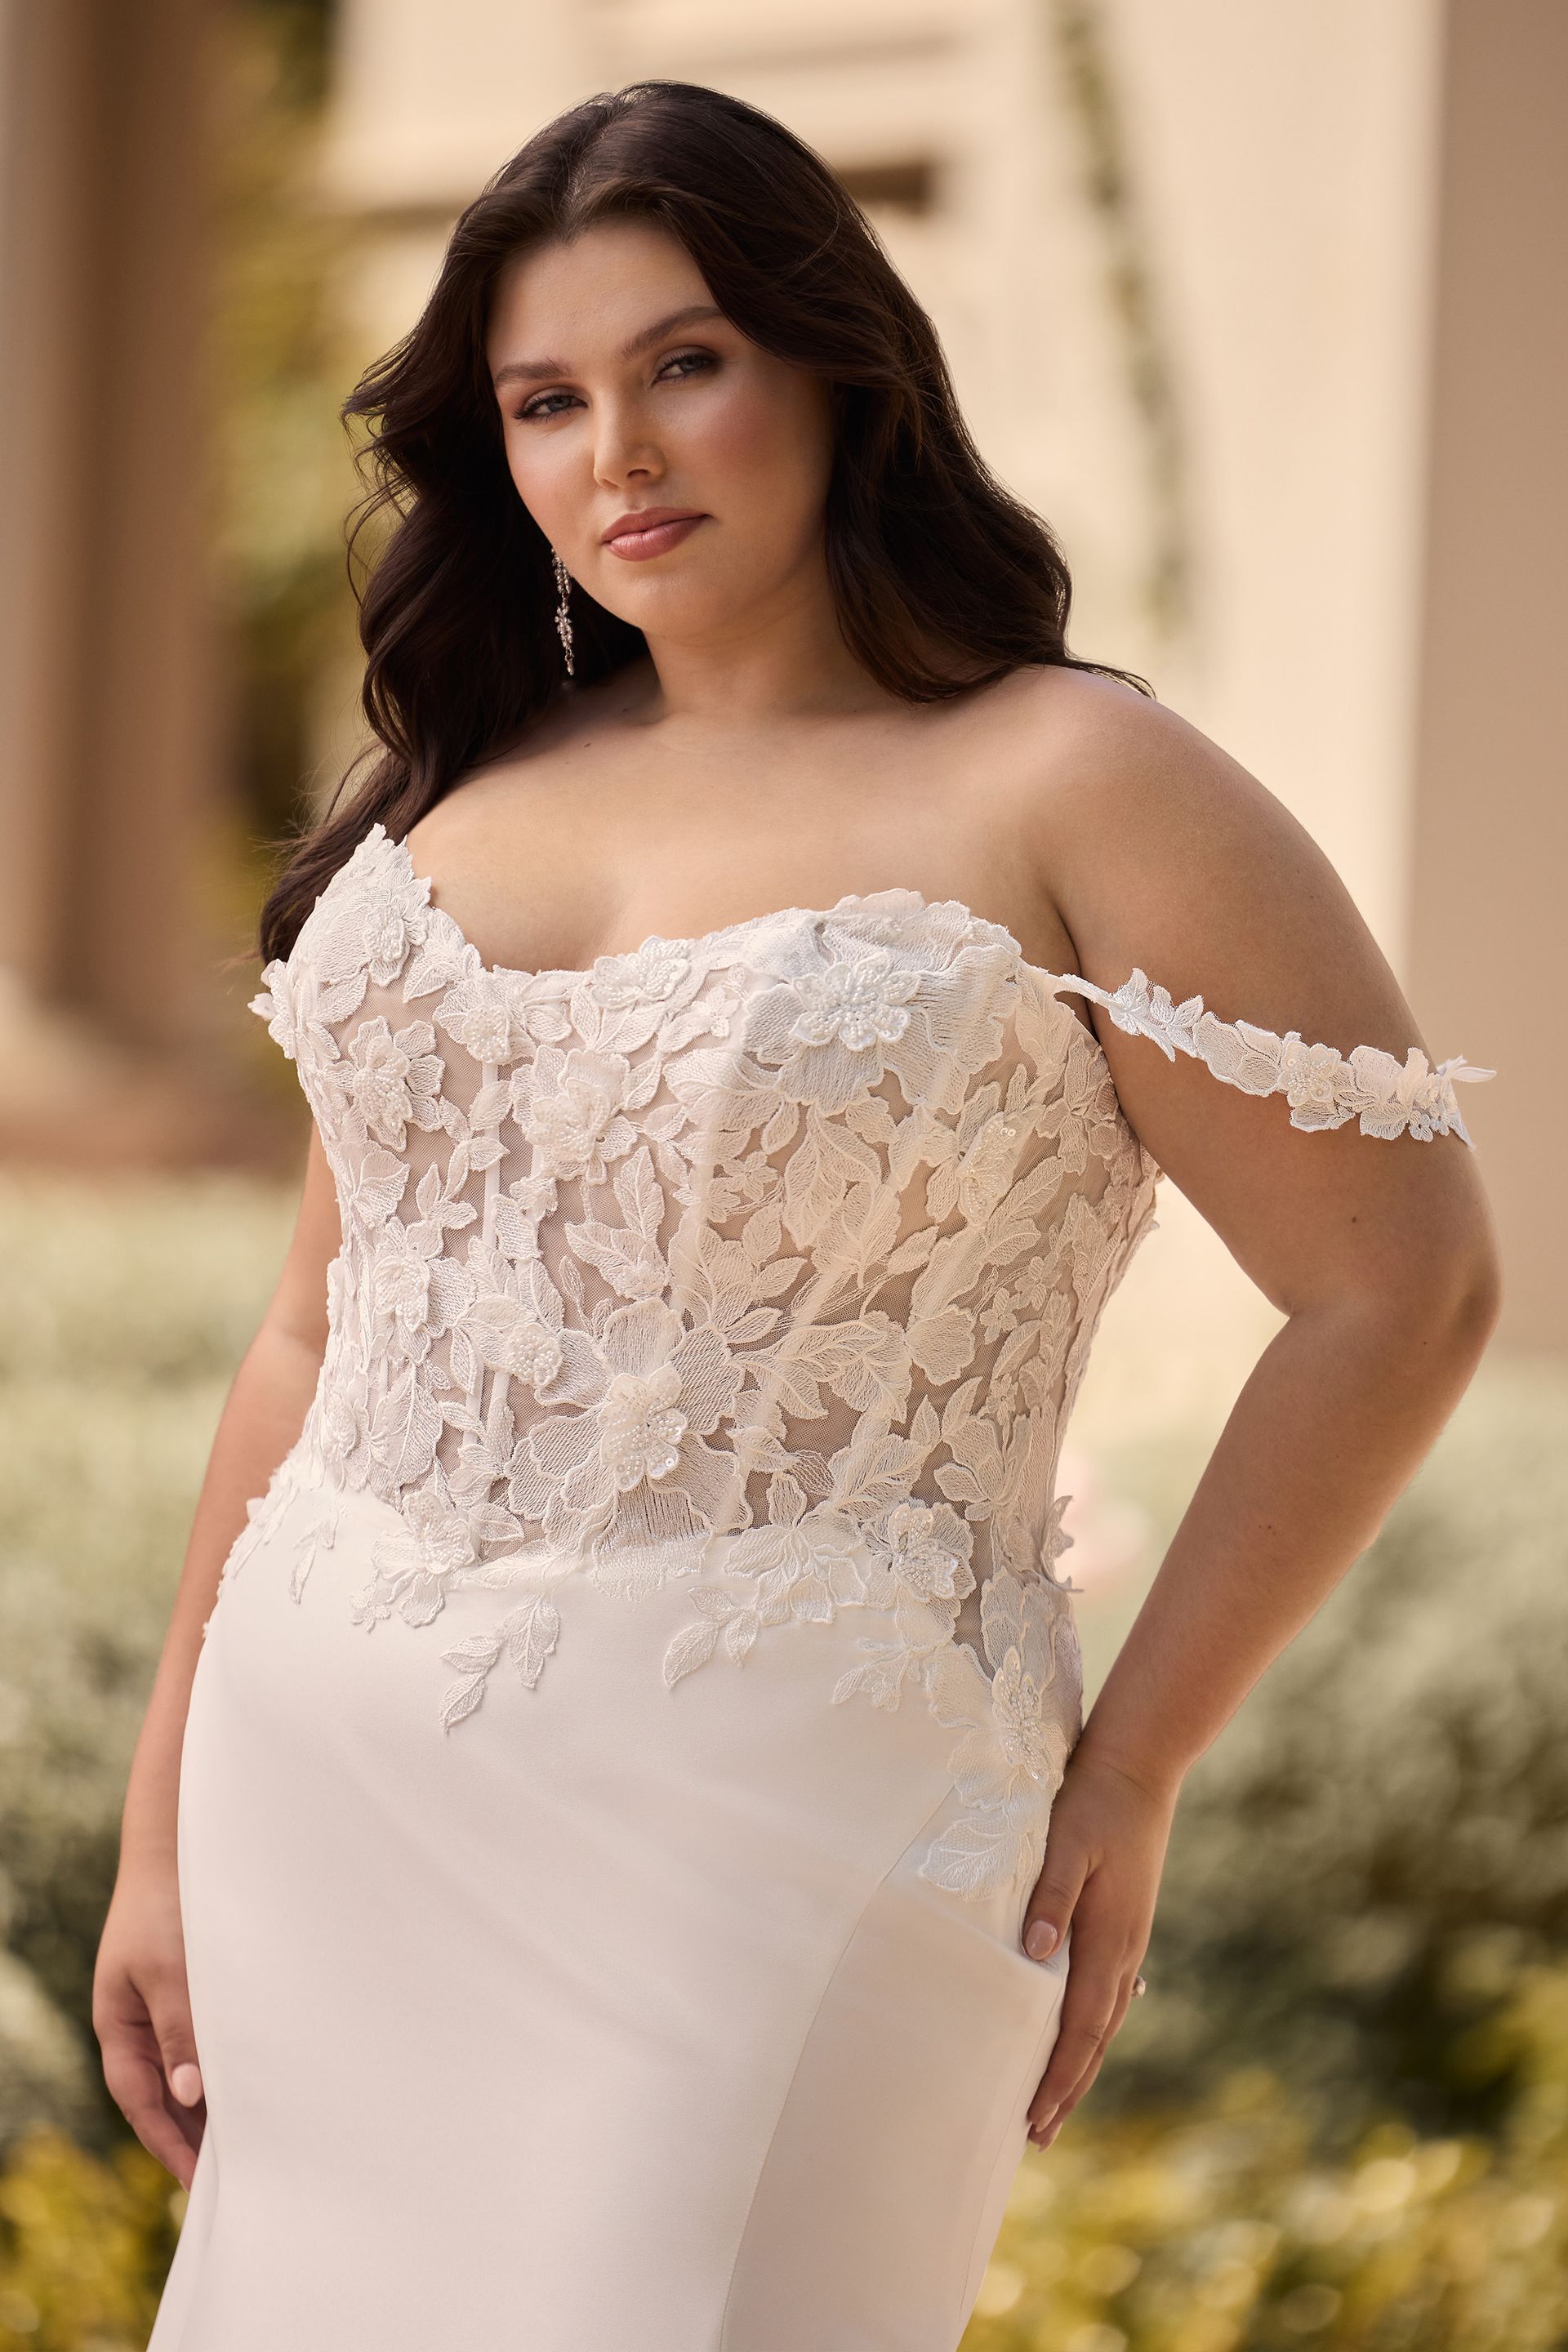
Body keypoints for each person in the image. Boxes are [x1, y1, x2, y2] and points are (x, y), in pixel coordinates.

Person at [97, 78, 1500, 2352]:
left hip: (796, 1810)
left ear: (839, 364)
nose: (614, 456)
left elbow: (1404, 1286)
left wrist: (1130, 1762)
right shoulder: (447, 784)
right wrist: (164, 1830)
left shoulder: (1073, 778)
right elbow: (311, 1332)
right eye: (545, 400)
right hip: (328, 1797)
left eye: (687, 363)